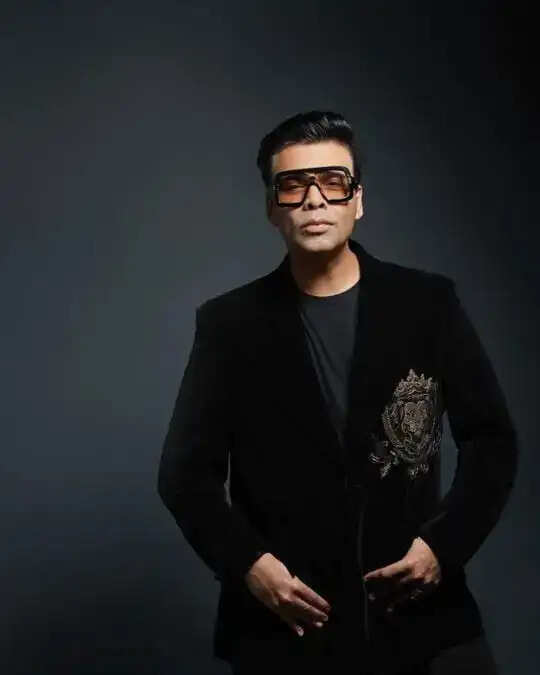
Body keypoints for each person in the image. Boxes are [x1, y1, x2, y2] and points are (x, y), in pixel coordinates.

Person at [157, 111, 518, 674]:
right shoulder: (229, 325)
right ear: (272, 207)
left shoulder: (427, 305)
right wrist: (250, 565)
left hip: (423, 618)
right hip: (289, 626)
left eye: (333, 181)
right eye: (293, 185)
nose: (315, 200)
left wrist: (442, 548)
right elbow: (184, 475)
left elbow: (492, 443)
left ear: (358, 200)